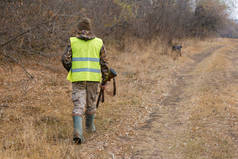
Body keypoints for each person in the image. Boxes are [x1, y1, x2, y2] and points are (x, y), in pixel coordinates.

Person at [61, 17, 110, 144]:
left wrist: (72, 69)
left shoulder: (73, 41)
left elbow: (65, 59)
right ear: (90, 28)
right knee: (91, 103)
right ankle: (90, 128)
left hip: (78, 78)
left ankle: (78, 133)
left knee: (78, 105)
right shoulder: (99, 42)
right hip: (94, 79)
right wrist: (105, 81)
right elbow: (105, 64)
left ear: (79, 28)